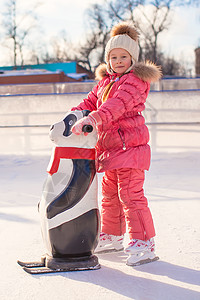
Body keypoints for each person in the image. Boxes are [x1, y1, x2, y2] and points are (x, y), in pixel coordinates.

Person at [71, 21, 162, 266]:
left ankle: (144, 242)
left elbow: (115, 106)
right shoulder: (105, 82)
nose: (118, 61)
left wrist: (93, 119)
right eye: (113, 57)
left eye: (124, 56)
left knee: (131, 195)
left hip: (131, 149)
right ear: (108, 59)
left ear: (132, 58)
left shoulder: (135, 81)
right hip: (110, 151)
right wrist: (73, 116)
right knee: (110, 196)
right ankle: (112, 235)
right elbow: (90, 102)